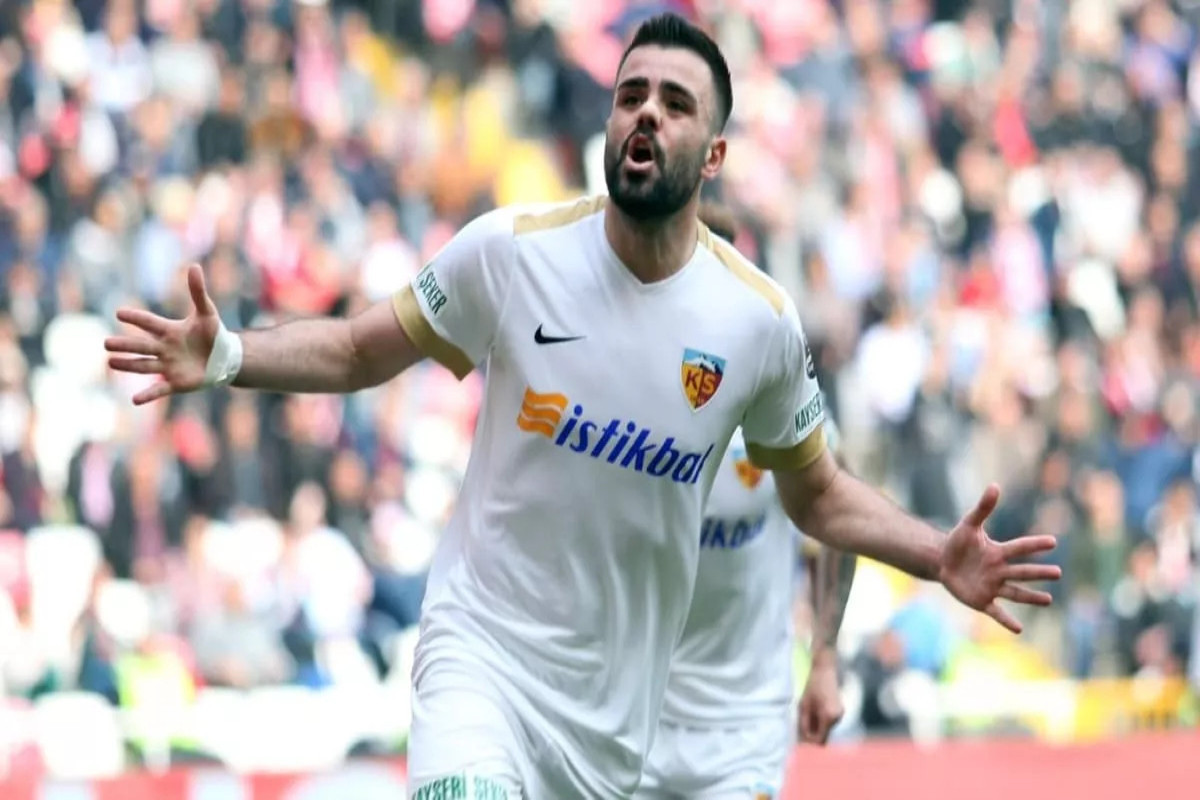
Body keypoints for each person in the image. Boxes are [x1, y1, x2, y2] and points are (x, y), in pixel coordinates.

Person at [106, 14, 1061, 799]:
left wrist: (934, 555)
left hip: (613, 733)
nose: (645, 113)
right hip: (484, 662)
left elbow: (818, 497)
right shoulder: (511, 252)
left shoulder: (757, 324)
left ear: (715, 153)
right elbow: (361, 350)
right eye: (630, 94)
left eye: (675, 104)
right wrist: (230, 354)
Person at [633, 205, 853, 800]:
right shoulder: (626, 387)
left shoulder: (774, 391)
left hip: (743, 725)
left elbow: (839, 518)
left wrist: (825, 658)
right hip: (631, 715)